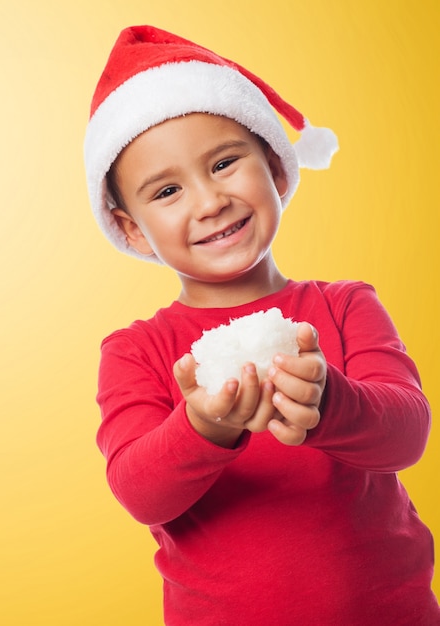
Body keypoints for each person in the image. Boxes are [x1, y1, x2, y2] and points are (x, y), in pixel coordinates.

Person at [83, 25, 440, 625]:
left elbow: (408, 436)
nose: (209, 200)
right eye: (167, 190)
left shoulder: (347, 306)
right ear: (133, 229)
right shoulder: (136, 351)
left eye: (224, 163)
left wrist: (331, 402)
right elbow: (139, 492)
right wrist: (201, 425)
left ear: (275, 167)